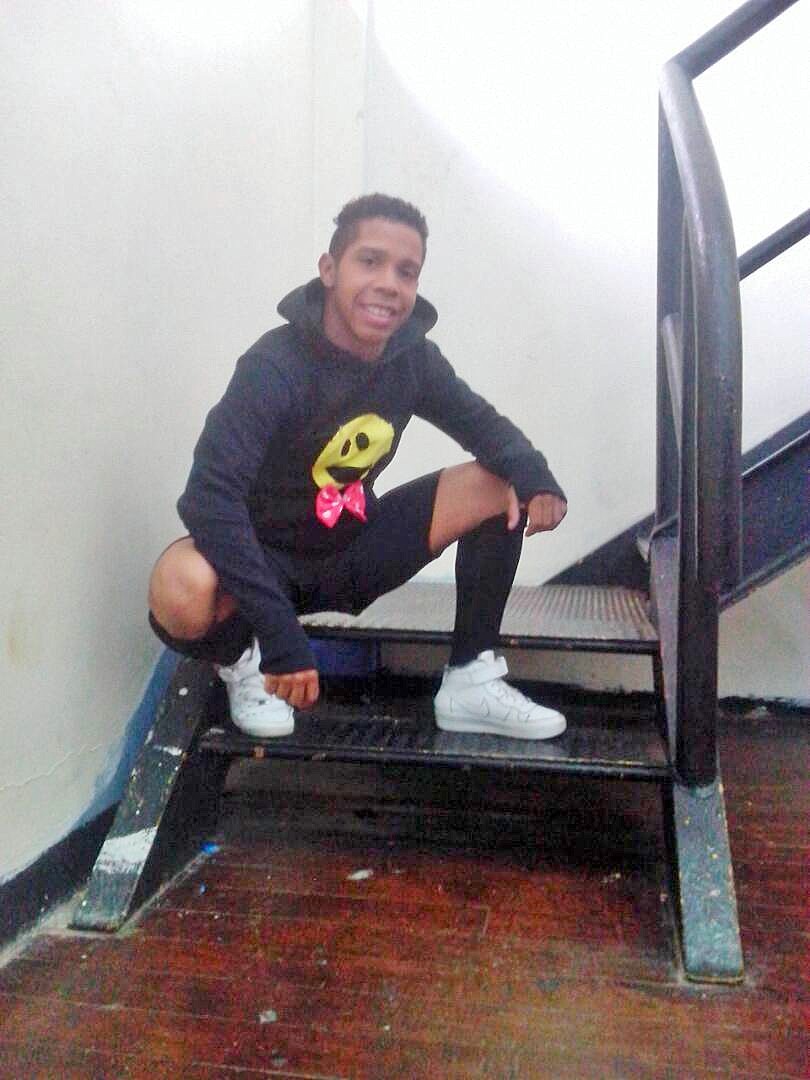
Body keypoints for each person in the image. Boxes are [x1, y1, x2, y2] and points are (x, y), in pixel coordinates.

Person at [148, 193, 568, 740]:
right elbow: (209, 499)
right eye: (370, 261)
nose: (389, 283)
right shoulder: (273, 366)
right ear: (330, 270)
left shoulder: (412, 358)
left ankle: (470, 679)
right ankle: (245, 663)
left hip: (354, 549)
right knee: (179, 584)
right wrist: (277, 634)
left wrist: (538, 478)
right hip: (266, 564)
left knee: (497, 482)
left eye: (406, 271)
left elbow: (482, 425)